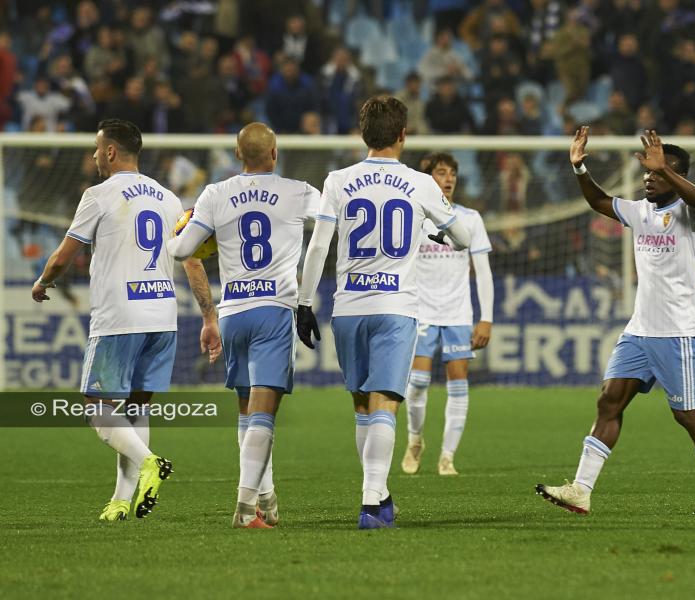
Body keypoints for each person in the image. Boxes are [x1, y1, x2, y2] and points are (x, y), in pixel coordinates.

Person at [537, 127, 695, 514]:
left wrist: (666, 168)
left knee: (686, 414)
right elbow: (599, 200)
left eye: (655, 172)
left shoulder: (689, 215)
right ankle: (581, 489)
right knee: (609, 401)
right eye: (646, 172)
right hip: (639, 330)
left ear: (672, 174)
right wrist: (580, 169)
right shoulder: (639, 211)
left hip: (677, 331)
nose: (647, 177)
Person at [31, 119, 220, 521]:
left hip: (120, 316)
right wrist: (208, 316)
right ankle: (120, 500)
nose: (94, 155)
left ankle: (150, 462)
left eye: (97, 148)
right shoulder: (169, 198)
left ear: (112, 151)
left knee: (97, 407)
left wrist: (43, 280)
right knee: (137, 408)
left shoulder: (98, 196)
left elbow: (65, 255)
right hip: (163, 317)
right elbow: (192, 264)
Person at [296, 97, 471, 529]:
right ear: (403, 135)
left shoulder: (337, 180)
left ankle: (380, 494)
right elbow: (464, 236)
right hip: (396, 308)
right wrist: (439, 229)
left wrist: (303, 303)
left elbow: (319, 246)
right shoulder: (421, 183)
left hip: (349, 307)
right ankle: (371, 504)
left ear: (362, 135)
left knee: (362, 406)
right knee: (385, 405)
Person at [167, 123, 320, 529]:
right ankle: (245, 507)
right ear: (275, 153)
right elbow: (333, 217)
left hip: (233, 310)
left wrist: (176, 233)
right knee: (264, 415)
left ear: (237, 155)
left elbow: (182, 250)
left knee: (244, 411)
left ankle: (266, 498)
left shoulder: (215, 193)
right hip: (274, 309)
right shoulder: (298, 190)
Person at [400, 152, 494, 476]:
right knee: (418, 383)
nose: (450, 178)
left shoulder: (470, 219)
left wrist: (486, 318)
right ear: (429, 179)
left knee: (458, 384)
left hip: (457, 314)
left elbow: (483, 272)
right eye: (442, 172)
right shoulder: (415, 217)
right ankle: (415, 439)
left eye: (453, 172)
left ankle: (447, 456)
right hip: (422, 311)